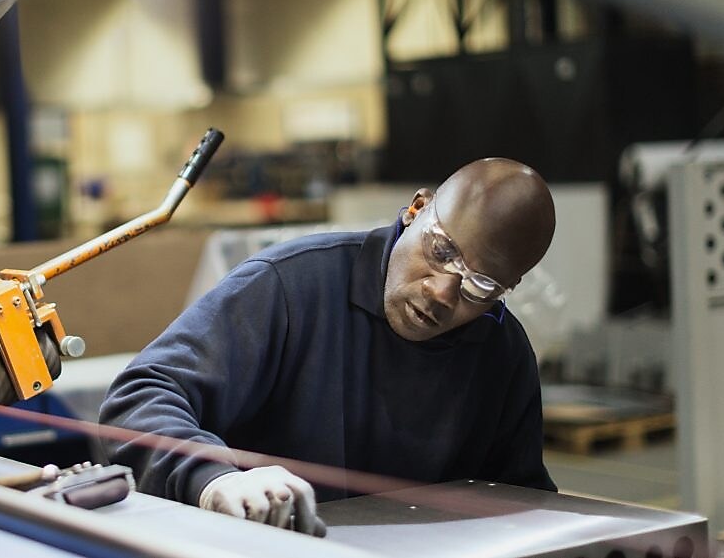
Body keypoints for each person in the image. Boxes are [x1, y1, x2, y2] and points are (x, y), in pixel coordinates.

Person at [98, 157, 557, 534]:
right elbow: (140, 396)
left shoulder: (502, 353)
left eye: (479, 286)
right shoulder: (287, 287)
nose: (442, 292)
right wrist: (211, 478)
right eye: (441, 251)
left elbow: (521, 500)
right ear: (416, 210)